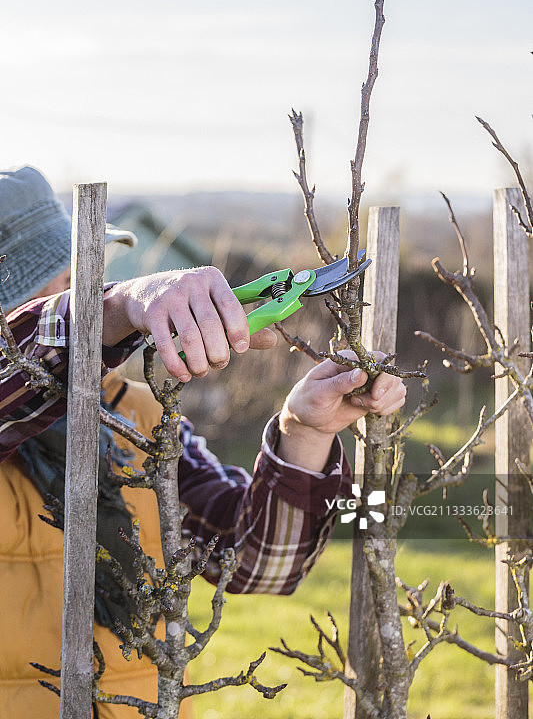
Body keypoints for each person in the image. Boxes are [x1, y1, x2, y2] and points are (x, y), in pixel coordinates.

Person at [0, 167, 406, 718]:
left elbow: (259, 564)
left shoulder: (130, 412)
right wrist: (117, 308)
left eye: (81, 275)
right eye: (62, 282)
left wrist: (305, 432)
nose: (82, 284)